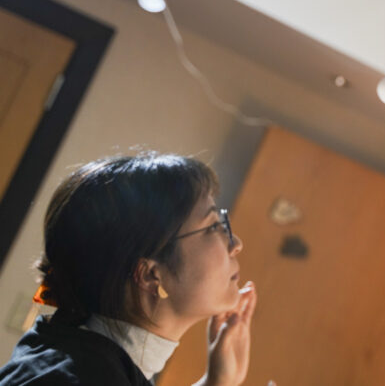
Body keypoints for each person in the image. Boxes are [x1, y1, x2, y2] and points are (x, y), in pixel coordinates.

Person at [0, 154, 256, 386]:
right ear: (149, 274)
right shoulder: (82, 377)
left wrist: (217, 382)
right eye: (212, 226)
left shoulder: (81, 357)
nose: (236, 244)